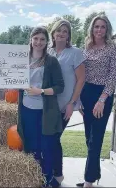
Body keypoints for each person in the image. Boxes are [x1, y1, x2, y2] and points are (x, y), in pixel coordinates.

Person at [16, 26, 65, 188]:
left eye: (42, 39)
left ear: (46, 42)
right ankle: (33, 180)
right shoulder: (21, 59)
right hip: (26, 109)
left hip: (45, 112)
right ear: (31, 40)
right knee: (31, 146)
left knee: (47, 147)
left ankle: (47, 180)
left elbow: (60, 87)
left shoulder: (51, 61)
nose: (38, 42)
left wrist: (41, 91)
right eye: (36, 38)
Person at [76, 15, 116, 188]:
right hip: (86, 93)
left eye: (102, 27)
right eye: (96, 26)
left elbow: (113, 76)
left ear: (107, 29)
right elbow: (80, 74)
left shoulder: (113, 49)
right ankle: (94, 174)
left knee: (96, 139)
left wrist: (102, 99)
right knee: (89, 138)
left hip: (103, 94)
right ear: (92, 28)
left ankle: (88, 181)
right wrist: (78, 98)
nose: (99, 30)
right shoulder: (86, 47)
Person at [48, 19, 86, 185]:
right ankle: (48, 172)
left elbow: (81, 79)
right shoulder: (47, 51)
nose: (61, 34)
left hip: (64, 104)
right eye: (58, 31)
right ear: (53, 33)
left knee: (55, 138)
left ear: (69, 35)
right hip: (47, 104)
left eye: (65, 31)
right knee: (48, 139)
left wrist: (72, 102)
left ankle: (58, 175)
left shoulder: (75, 53)